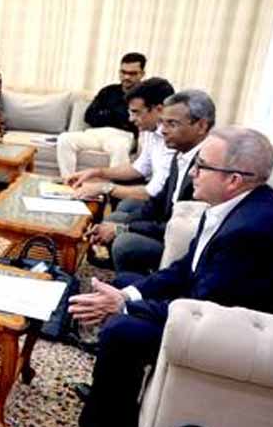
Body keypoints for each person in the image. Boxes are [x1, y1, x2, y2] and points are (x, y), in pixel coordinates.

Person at [53, 126, 273, 427]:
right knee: (126, 284)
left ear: (234, 179)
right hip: (219, 306)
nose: (193, 173)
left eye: (202, 166)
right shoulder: (229, 207)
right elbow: (183, 270)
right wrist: (128, 296)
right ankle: (110, 394)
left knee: (122, 331)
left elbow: (204, 307)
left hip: (255, 339)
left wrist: (123, 309)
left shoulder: (253, 230)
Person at [86, 89, 213, 274]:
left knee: (125, 242)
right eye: (163, 122)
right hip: (167, 227)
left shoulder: (208, 167)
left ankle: (139, 287)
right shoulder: (181, 154)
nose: (163, 130)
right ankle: (128, 279)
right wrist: (120, 224)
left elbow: (180, 228)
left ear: (201, 126)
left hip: (183, 245)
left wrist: (123, 229)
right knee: (116, 218)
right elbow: (157, 203)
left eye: (172, 124)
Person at [67, 77, 176, 226]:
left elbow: (153, 192)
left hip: (169, 211)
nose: (131, 119)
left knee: (113, 222)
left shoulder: (172, 140)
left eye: (136, 112)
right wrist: (96, 172)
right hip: (157, 201)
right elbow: (139, 168)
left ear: (159, 109)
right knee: (121, 207)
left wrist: (104, 188)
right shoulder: (151, 131)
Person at [55, 53, 147, 179]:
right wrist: (118, 116)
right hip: (97, 134)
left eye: (132, 73)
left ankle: (113, 188)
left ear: (142, 74)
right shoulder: (108, 91)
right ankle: (68, 180)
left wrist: (107, 113)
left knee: (119, 147)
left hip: (123, 136)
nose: (126, 77)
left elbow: (135, 122)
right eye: (123, 72)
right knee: (64, 138)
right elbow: (89, 116)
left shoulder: (144, 95)